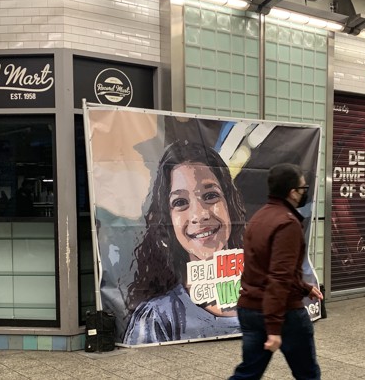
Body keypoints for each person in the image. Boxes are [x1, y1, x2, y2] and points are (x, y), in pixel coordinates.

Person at [124, 142, 247, 344]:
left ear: (230, 205)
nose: (199, 215)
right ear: (167, 220)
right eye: (180, 202)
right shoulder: (158, 317)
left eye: (210, 196)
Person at [230, 163, 323, 380]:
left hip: (249, 309)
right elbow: (278, 277)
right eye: (303, 188)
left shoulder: (259, 217)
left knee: (248, 373)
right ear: (293, 193)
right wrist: (273, 327)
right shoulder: (287, 223)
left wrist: (304, 287)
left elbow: (267, 268)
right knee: (308, 374)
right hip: (283, 314)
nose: (304, 193)